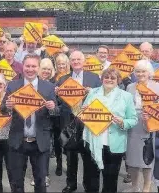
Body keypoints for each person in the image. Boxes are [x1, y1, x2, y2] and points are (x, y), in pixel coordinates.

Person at [1, 54, 59, 193]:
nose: (30, 69)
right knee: (16, 182)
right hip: (18, 141)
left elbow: (56, 112)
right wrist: (7, 106)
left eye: (34, 66)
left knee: (40, 182)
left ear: (38, 68)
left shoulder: (48, 87)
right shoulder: (13, 85)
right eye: (27, 66)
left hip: (40, 142)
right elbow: (2, 109)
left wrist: (52, 108)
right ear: (23, 67)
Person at [81, 67, 138, 193]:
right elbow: (82, 113)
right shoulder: (92, 93)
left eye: (113, 78)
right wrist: (83, 110)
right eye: (106, 77)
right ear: (102, 79)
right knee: (91, 179)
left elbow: (133, 119)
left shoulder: (126, 96)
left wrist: (122, 122)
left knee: (110, 180)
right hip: (92, 142)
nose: (109, 80)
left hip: (114, 143)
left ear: (118, 80)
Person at [58, 51, 101, 193]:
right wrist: (57, 93)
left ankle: (89, 185)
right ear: (70, 62)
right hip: (69, 121)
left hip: (88, 123)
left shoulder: (94, 78)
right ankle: (71, 183)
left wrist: (93, 92)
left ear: (83, 62)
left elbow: (102, 99)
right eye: (73, 59)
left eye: (78, 59)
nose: (76, 62)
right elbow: (58, 103)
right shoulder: (63, 79)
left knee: (89, 156)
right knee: (70, 156)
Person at [125, 60, 159, 192]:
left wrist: (151, 115)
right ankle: (134, 186)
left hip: (149, 124)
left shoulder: (158, 87)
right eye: (138, 71)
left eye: (143, 71)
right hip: (133, 125)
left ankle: (147, 187)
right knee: (132, 157)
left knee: (148, 158)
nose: (140, 74)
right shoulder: (130, 87)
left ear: (149, 73)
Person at [30, 58, 56, 187]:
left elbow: (57, 106)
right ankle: (36, 175)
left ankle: (44, 175)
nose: (46, 71)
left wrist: (52, 106)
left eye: (49, 69)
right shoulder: (30, 83)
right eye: (44, 68)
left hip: (48, 122)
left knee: (44, 150)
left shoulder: (54, 84)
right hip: (32, 121)